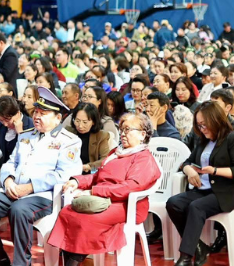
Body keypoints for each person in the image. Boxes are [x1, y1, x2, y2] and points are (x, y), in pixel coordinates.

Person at [0, 87, 82, 266]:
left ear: (58, 118)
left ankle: (22, 263)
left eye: (43, 113)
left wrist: (30, 187)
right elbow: (11, 162)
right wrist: (8, 180)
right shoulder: (26, 135)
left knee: (19, 209)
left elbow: (63, 175)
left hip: (44, 195)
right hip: (15, 190)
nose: (37, 116)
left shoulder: (69, 141)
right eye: (36, 112)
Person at [47, 113, 161, 266]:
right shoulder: (116, 152)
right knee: (68, 212)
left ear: (142, 135)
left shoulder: (143, 158)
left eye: (128, 130)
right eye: (121, 130)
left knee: (87, 220)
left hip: (126, 204)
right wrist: (77, 181)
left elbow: (130, 188)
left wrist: (94, 192)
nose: (123, 134)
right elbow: (98, 176)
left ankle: (72, 263)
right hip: (102, 198)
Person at [166, 101, 234, 266]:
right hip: (202, 190)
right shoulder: (202, 141)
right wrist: (189, 171)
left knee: (196, 207)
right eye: (199, 125)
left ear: (215, 120)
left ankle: (185, 257)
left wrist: (214, 171)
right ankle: (199, 247)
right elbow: (187, 162)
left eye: (204, 125)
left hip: (223, 193)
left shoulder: (232, 139)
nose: (202, 129)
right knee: (174, 203)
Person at [68, 103, 111, 173]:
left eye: (85, 122)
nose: (80, 126)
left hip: (88, 173)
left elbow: (106, 159)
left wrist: (89, 166)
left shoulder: (101, 136)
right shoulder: (68, 132)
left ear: (93, 122)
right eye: (77, 121)